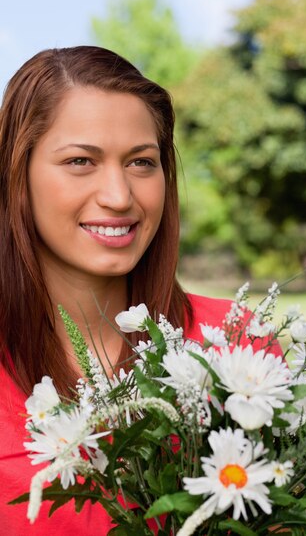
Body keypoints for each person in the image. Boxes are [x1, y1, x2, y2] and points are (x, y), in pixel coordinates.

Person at [0, 46, 281, 535]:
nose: (119, 196)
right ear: (16, 176)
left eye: (141, 163)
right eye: (81, 161)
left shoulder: (240, 345)